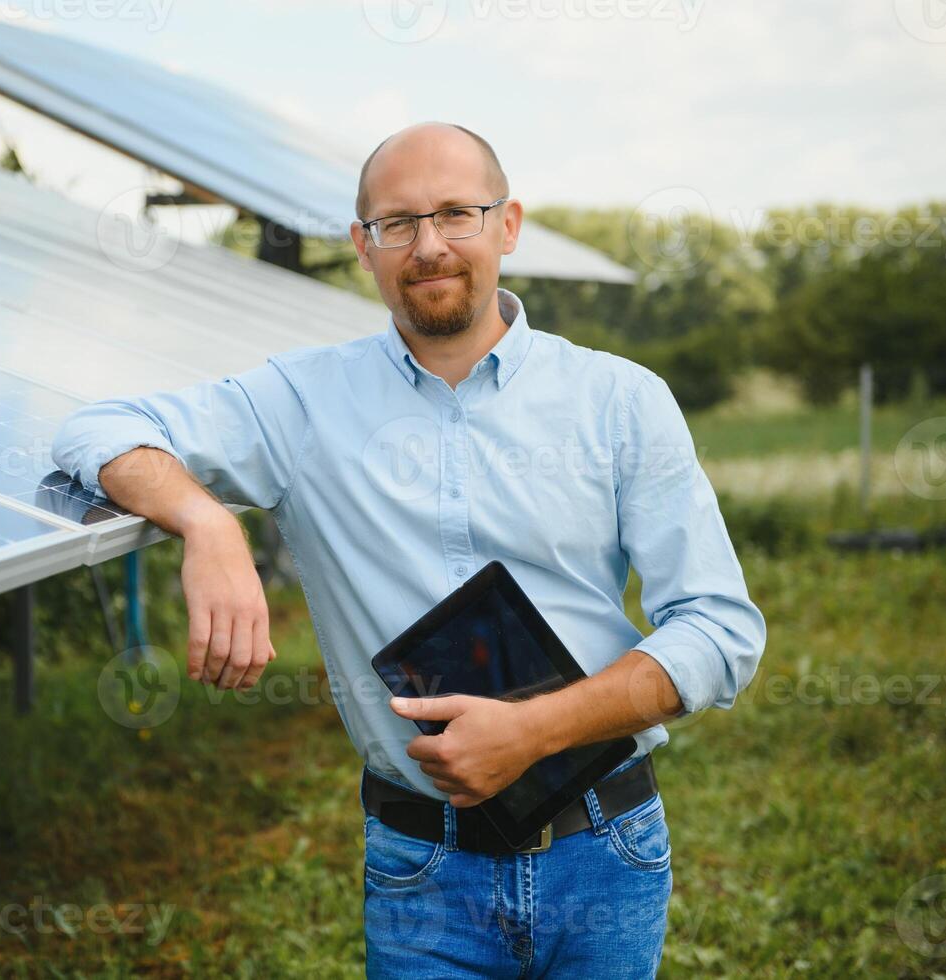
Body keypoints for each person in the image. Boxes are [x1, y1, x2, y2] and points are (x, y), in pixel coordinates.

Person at [51, 121, 766, 978]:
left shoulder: (620, 401)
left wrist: (532, 730)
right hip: (421, 869)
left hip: (604, 853)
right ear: (363, 245)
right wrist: (209, 524)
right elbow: (96, 429)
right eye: (396, 223)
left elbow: (718, 632)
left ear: (507, 226)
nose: (427, 246)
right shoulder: (301, 401)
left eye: (455, 214)